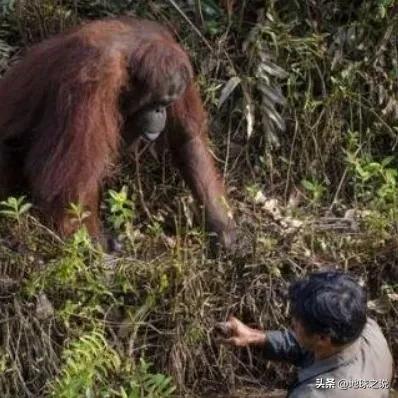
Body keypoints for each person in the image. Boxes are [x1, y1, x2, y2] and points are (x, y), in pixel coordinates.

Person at [216, 271, 393, 397]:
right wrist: (256, 337)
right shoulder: (366, 329)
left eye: (297, 323)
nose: (292, 323)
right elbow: (310, 347)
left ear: (323, 338)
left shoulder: (314, 394)